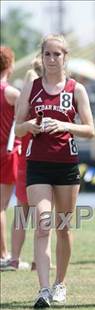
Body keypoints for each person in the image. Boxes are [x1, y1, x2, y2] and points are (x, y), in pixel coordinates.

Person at [14, 34, 95, 308]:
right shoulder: (32, 86)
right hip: (37, 164)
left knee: (63, 227)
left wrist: (65, 126)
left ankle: (61, 283)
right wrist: (31, 127)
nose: (51, 59)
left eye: (56, 54)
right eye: (47, 54)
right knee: (43, 223)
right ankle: (44, 289)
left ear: (65, 57)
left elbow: (90, 130)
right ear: (42, 56)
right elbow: (19, 126)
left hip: (66, 165)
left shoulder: (76, 89)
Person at [1, 56, 43, 272]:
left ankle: (14, 259)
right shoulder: (44, 99)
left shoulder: (23, 101)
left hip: (23, 161)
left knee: (20, 213)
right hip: (39, 160)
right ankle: (38, 261)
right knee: (41, 215)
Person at [0, 46, 22, 268]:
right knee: (1, 206)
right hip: (6, 152)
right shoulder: (12, 93)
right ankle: (4, 254)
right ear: (10, 65)